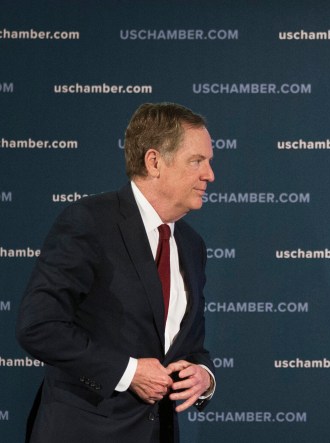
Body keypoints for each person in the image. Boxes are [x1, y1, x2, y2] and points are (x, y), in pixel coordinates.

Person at [16, 102, 217, 442]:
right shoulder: (89, 222)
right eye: (197, 161)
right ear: (154, 162)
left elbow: (189, 346)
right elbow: (39, 326)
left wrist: (204, 375)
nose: (209, 175)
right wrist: (129, 372)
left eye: (209, 162)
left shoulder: (191, 244)